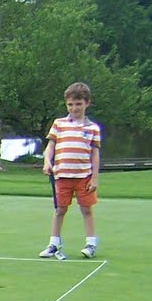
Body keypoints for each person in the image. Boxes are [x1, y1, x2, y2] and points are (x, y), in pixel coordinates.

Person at [39, 82, 102, 260]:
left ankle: (90, 244)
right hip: (62, 176)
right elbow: (50, 147)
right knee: (60, 209)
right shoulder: (59, 124)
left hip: (84, 176)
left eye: (78, 104)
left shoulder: (93, 128)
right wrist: (47, 162)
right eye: (71, 104)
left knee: (86, 209)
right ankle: (53, 243)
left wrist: (95, 178)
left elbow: (95, 155)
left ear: (87, 103)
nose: (74, 108)